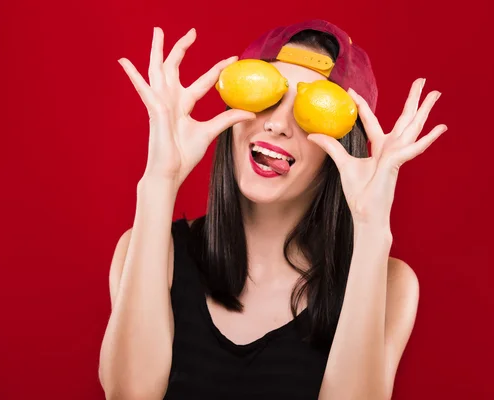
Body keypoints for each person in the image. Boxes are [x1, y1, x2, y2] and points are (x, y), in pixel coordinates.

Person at [98, 19, 448, 400]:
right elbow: (129, 393)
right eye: (266, 96)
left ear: (343, 146)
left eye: (309, 110)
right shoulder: (149, 251)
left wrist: (371, 228)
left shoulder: (391, 285)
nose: (278, 125)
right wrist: (159, 181)